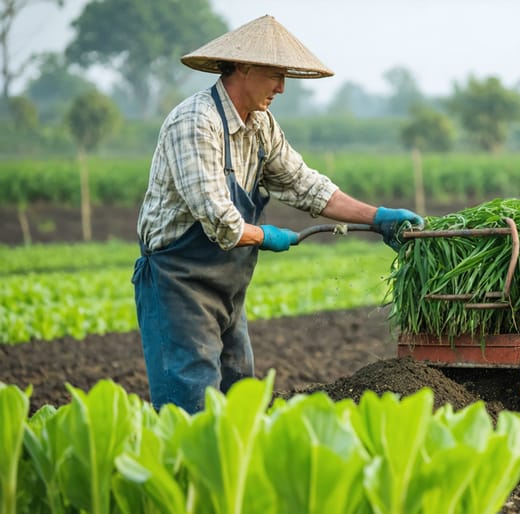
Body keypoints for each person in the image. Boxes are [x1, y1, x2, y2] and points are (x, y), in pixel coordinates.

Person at [132, 15, 422, 414]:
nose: (282, 87)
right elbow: (220, 219)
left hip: (228, 288)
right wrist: (266, 236)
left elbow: (305, 185)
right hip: (178, 285)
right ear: (244, 67)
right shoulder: (195, 123)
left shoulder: (261, 126)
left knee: (240, 402)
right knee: (191, 407)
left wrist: (378, 217)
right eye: (275, 74)